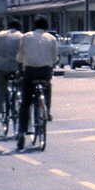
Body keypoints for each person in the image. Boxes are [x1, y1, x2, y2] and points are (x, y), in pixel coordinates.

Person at [16, 16, 57, 150]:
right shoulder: (51, 38)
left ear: (34, 26)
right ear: (46, 26)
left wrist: (20, 66)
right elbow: (54, 57)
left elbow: (20, 56)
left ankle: (21, 133)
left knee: (25, 103)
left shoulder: (26, 37)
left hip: (30, 72)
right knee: (47, 87)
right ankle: (47, 111)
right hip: (45, 71)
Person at [0, 19, 23, 139]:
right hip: (16, 68)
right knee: (21, 93)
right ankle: (22, 124)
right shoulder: (21, 36)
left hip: (1, 68)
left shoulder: (0, 35)